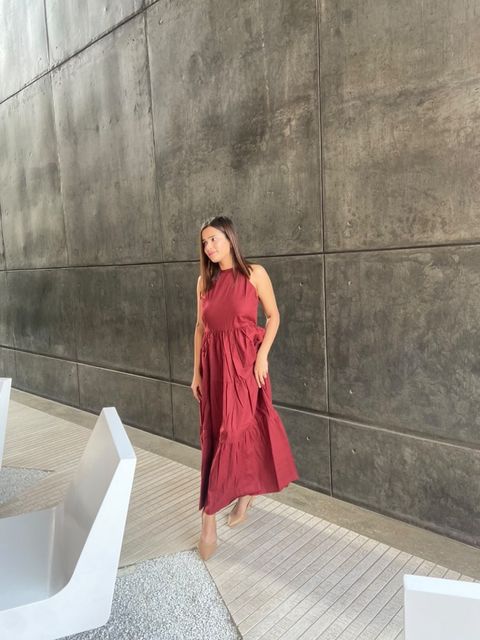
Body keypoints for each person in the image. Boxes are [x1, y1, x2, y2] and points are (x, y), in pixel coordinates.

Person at [191, 216, 299, 561]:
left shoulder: (254, 274)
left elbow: (274, 316)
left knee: (233, 433)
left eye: (214, 239)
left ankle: (209, 521)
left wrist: (262, 356)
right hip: (213, 370)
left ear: (230, 238)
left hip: (243, 369)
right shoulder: (204, 282)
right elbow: (200, 328)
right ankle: (244, 494)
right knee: (214, 435)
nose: (209, 247)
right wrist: (196, 374)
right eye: (204, 242)